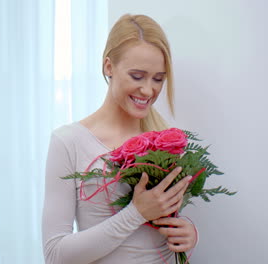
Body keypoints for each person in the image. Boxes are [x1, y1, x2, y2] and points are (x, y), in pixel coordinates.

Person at [42, 14, 198, 264]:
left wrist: (187, 233)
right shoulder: (68, 142)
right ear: (108, 67)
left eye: (158, 78)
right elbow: (55, 255)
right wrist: (136, 213)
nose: (148, 90)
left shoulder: (165, 142)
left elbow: (160, 231)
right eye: (137, 76)